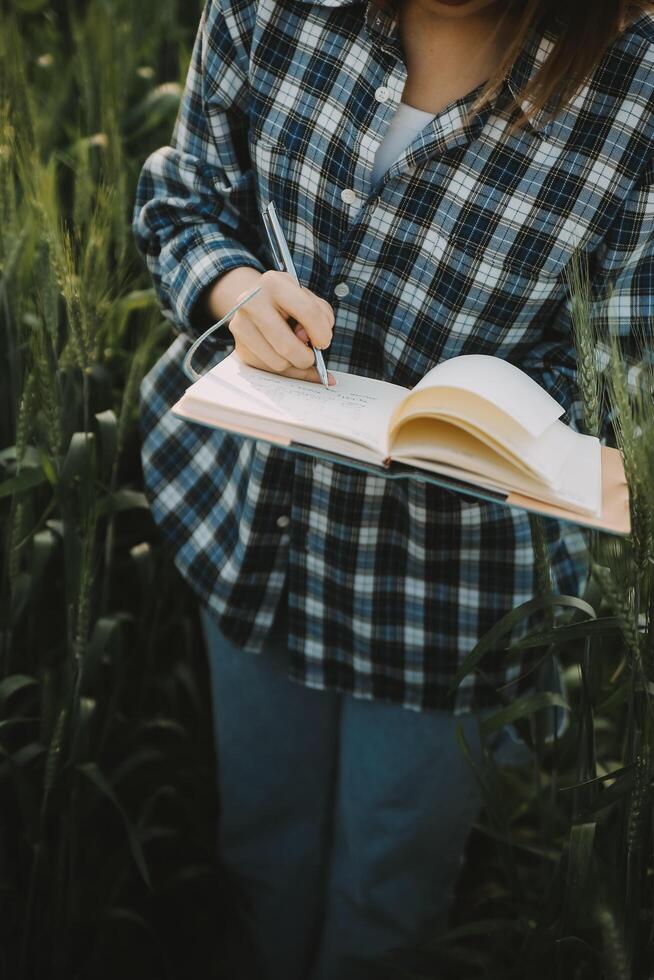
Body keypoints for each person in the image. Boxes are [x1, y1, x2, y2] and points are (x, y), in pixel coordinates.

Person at [132, 0, 653, 975]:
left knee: (389, 891)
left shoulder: (636, 86)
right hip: (252, 521)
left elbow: (629, 361)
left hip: (448, 601)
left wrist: (498, 415)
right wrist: (234, 288)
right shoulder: (266, 10)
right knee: (262, 846)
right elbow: (186, 192)